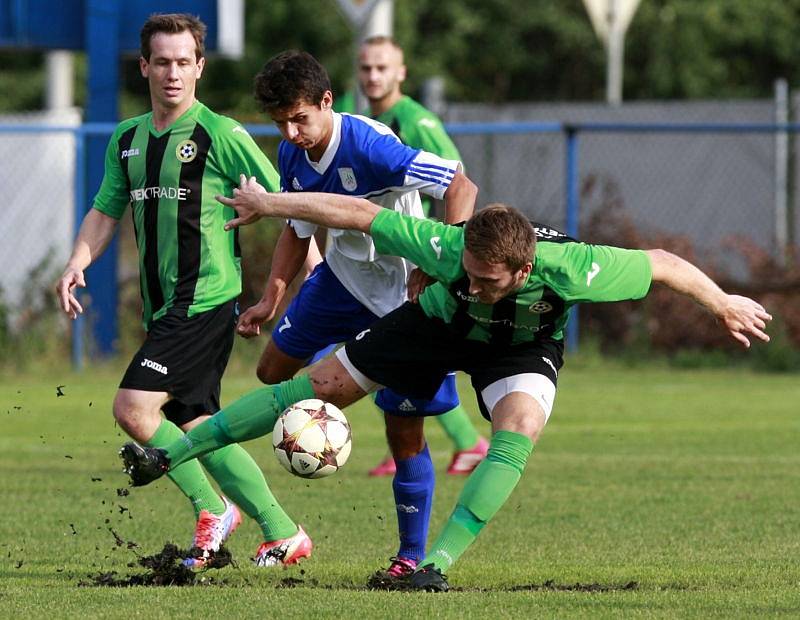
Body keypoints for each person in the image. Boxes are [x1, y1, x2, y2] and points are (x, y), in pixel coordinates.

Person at [120, 183, 772, 591]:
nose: (475, 277)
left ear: (522, 269)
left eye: (488, 277)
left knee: (518, 425)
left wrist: (721, 303)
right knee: (319, 383)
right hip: (433, 328)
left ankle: (435, 565)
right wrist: (270, 205)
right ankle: (167, 455)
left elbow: (662, 264)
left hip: (520, 345)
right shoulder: (445, 246)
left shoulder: (574, 268)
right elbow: (352, 212)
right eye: (468, 268)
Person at [55, 14, 304, 569]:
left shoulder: (220, 133)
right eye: (162, 62)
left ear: (200, 67)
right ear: (144, 66)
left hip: (206, 300)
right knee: (198, 426)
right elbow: (105, 210)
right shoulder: (126, 138)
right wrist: (78, 261)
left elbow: (289, 207)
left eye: (183, 62)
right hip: (164, 305)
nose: (173, 73)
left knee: (135, 408)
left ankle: (213, 509)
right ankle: (282, 529)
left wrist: (282, 288)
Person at [230, 50, 478, 578]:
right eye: (281, 123)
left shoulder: (371, 146)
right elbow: (298, 230)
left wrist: (437, 260)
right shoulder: (292, 155)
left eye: (300, 118)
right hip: (341, 281)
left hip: (402, 297)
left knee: (403, 430)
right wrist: (270, 299)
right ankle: (320, 413)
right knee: (270, 370)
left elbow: (461, 185)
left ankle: (409, 557)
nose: (292, 132)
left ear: (326, 102)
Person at [355, 35, 488, 477]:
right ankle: (453, 443)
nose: (373, 76)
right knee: (387, 349)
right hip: (397, 254)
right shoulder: (376, 120)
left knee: (396, 351)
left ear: (401, 72)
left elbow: (457, 178)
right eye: (366, 68)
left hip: (423, 255)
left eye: (382, 68)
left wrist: (436, 256)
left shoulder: (415, 119)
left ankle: (453, 442)